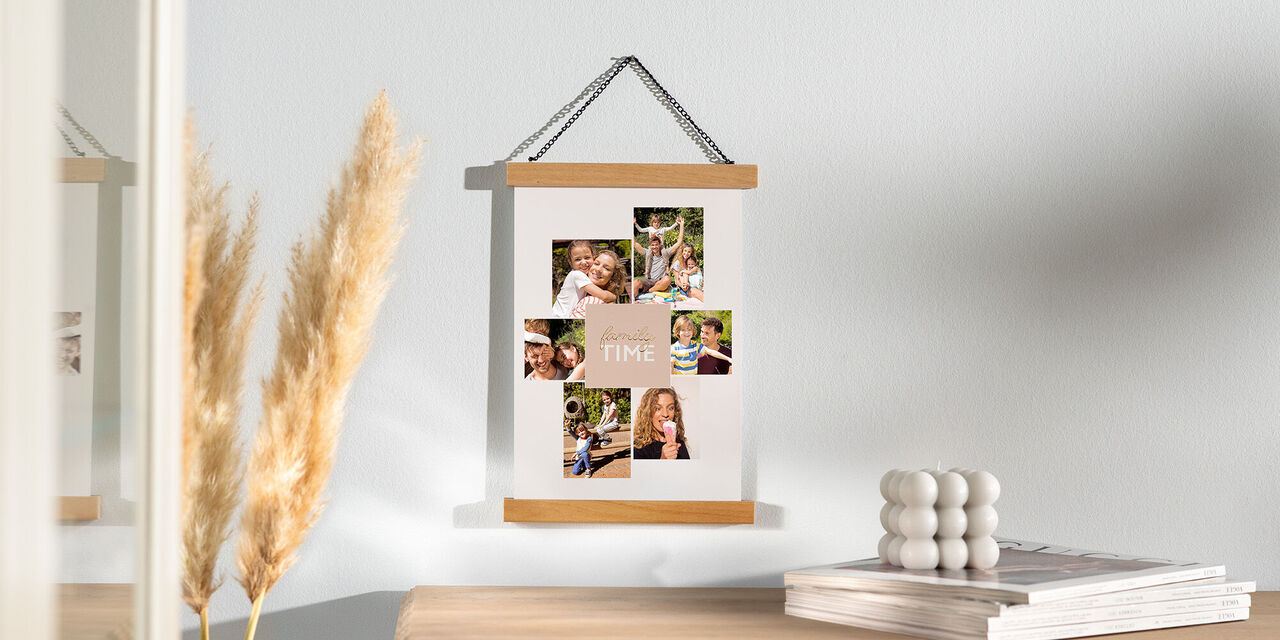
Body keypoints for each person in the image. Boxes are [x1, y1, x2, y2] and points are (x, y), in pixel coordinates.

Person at [552, 240, 617, 318]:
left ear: (593, 257)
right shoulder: (577, 275)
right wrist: (614, 297)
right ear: (570, 263)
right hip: (559, 316)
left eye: (587, 257)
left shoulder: (584, 276)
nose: (583, 262)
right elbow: (603, 296)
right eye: (577, 259)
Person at [632, 217, 685, 300]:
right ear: (650, 246)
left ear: (660, 244)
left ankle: (649, 291)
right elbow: (635, 243)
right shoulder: (647, 253)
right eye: (652, 245)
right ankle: (632, 301)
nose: (654, 247)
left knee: (667, 279)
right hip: (649, 281)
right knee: (636, 282)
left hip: (661, 282)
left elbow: (679, 243)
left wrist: (681, 225)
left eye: (656, 244)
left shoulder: (666, 253)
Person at [632, 387, 690, 459]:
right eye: (658, 408)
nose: (665, 414)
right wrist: (663, 460)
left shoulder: (679, 442)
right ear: (648, 412)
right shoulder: (638, 447)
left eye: (670, 408)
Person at [570, 248, 626, 317]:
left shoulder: (592, 301)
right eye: (596, 264)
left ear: (613, 277)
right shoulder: (579, 292)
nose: (598, 269)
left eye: (606, 268)